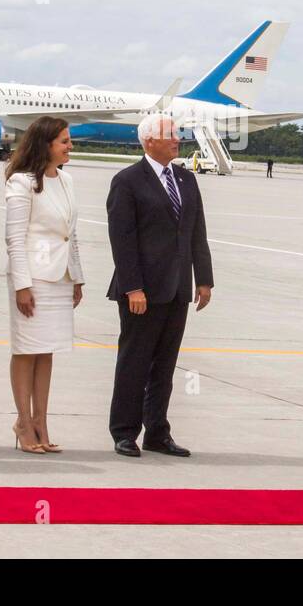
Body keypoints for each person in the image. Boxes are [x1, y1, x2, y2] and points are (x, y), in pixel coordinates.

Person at [106, 113, 213, 458]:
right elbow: (122, 240)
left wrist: (205, 279)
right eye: (170, 134)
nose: (177, 139)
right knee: (134, 362)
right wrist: (133, 287)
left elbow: (197, 231)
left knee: (165, 365)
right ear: (149, 140)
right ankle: (124, 431)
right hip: (143, 291)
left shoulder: (185, 179)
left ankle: (157, 431)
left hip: (178, 287)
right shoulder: (128, 181)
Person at [4, 117, 84, 453]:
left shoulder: (65, 181)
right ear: (45, 144)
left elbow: (71, 234)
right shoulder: (21, 182)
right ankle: (23, 422)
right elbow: (14, 238)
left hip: (60, 278)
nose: (69, 147)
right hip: (33, 278)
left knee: (46, 352)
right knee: (26, 350)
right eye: (63, 141)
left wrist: (77, 277)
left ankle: (41, 422)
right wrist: (22, 285)